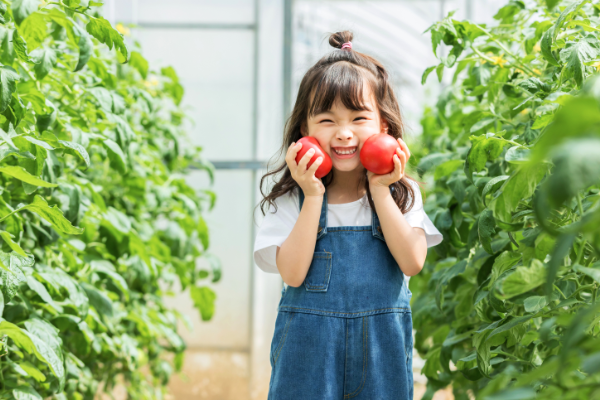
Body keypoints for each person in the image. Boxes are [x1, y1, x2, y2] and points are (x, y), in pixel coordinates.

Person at [253, 31, 443, 400]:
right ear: (304, 130)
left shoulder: (401, 195)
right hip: (307, 358)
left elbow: (413, 260)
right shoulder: (292, 198)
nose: (343, 133)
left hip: (380, 355)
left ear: (383, 126)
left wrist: (379, 191)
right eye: (326, 120)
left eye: (359, 118)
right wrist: (311, 194)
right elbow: (292, 273)